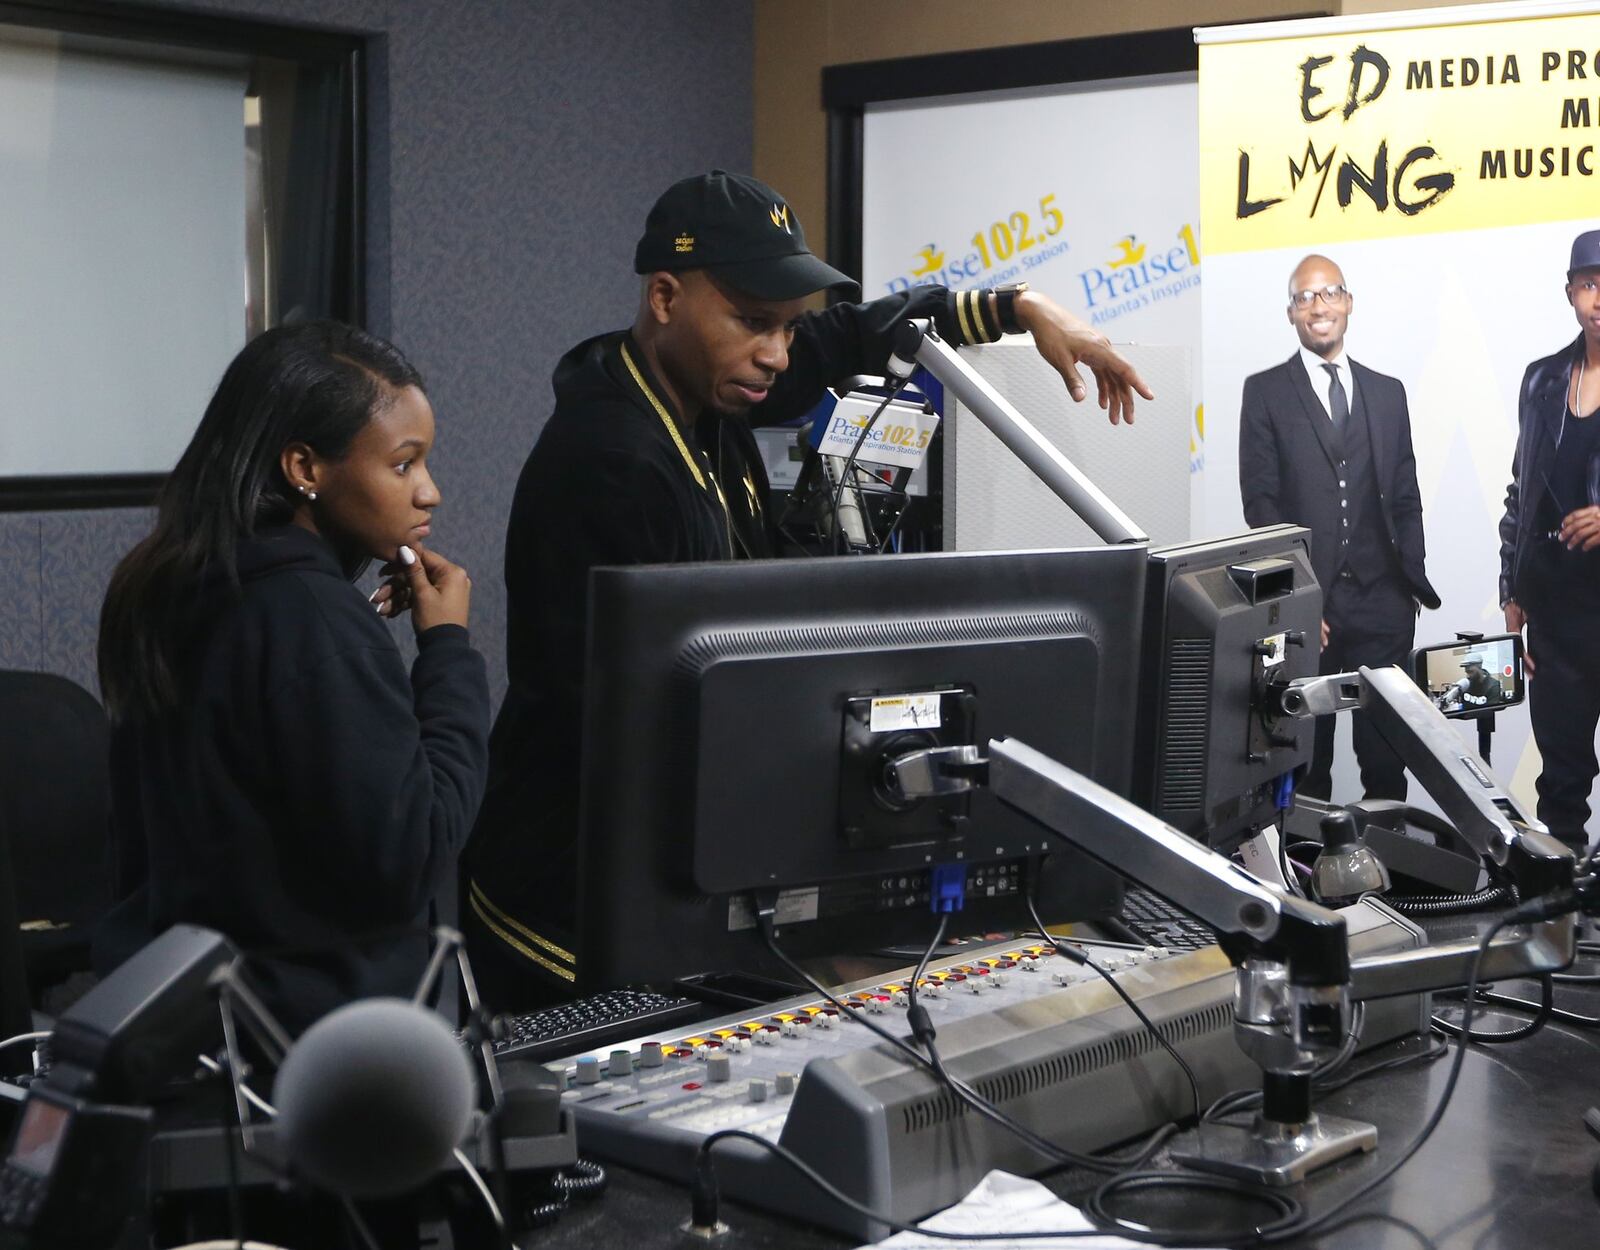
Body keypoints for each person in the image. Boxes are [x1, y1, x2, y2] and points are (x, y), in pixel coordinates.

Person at [465, 170, 1153, 1005]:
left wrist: (1017, 308)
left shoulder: (704, 386)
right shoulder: (611, 463)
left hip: (663, 875)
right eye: (756, 323)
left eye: (786, 328)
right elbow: (658, 728)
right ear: (665, 296)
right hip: (569, 913)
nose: (778, 355)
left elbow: (847, 337)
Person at [94, 321, 490, 1033]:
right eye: (403, 465)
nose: (428, 492)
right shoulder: (311, 619)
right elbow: (414, 851)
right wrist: (449, 649)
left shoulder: (175, 584)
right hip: (310, 1053)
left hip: (195, 1029)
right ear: (305, 468)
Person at [1238, 254, 1439, 802]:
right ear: (1290, 314)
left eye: (1329, 293)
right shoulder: (1265, 392)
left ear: (1349, 303)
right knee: (1306, 762)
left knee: (1386, 760)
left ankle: (1396, 885)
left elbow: (1405, 496)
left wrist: (1407, 586)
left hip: (1383, 606)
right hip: (1311, 612)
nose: (1318, 306)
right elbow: (1261, 508)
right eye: (1305, 297)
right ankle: (1310, 884)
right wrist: (1303, 597)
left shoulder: (1387, 392)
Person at [1498, 227, 1600, 854]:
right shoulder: (1541, 381)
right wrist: (1511, 592)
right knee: (1560, 778)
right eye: (1589, 284)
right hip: (1556, 619)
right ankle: (1563, 916)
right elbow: (1521, 495)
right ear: (1570, 293)